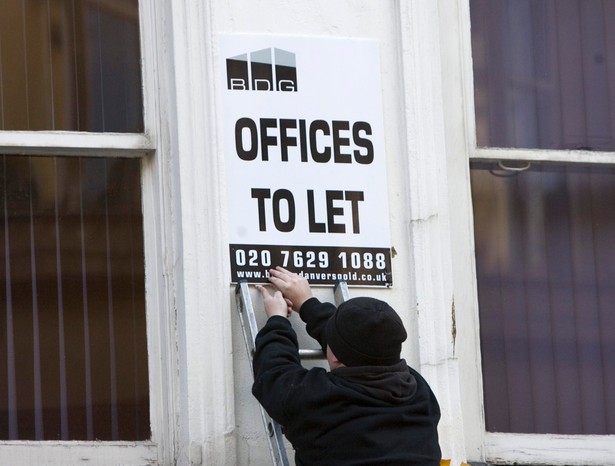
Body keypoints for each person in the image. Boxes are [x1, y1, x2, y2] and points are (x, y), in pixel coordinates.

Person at [252, 266, 442, 465]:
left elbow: (274, 372)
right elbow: (362, 343)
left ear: (334, 358)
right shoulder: (420, 393)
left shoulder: (318, 399)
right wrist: (308, 304)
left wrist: (277, 319)